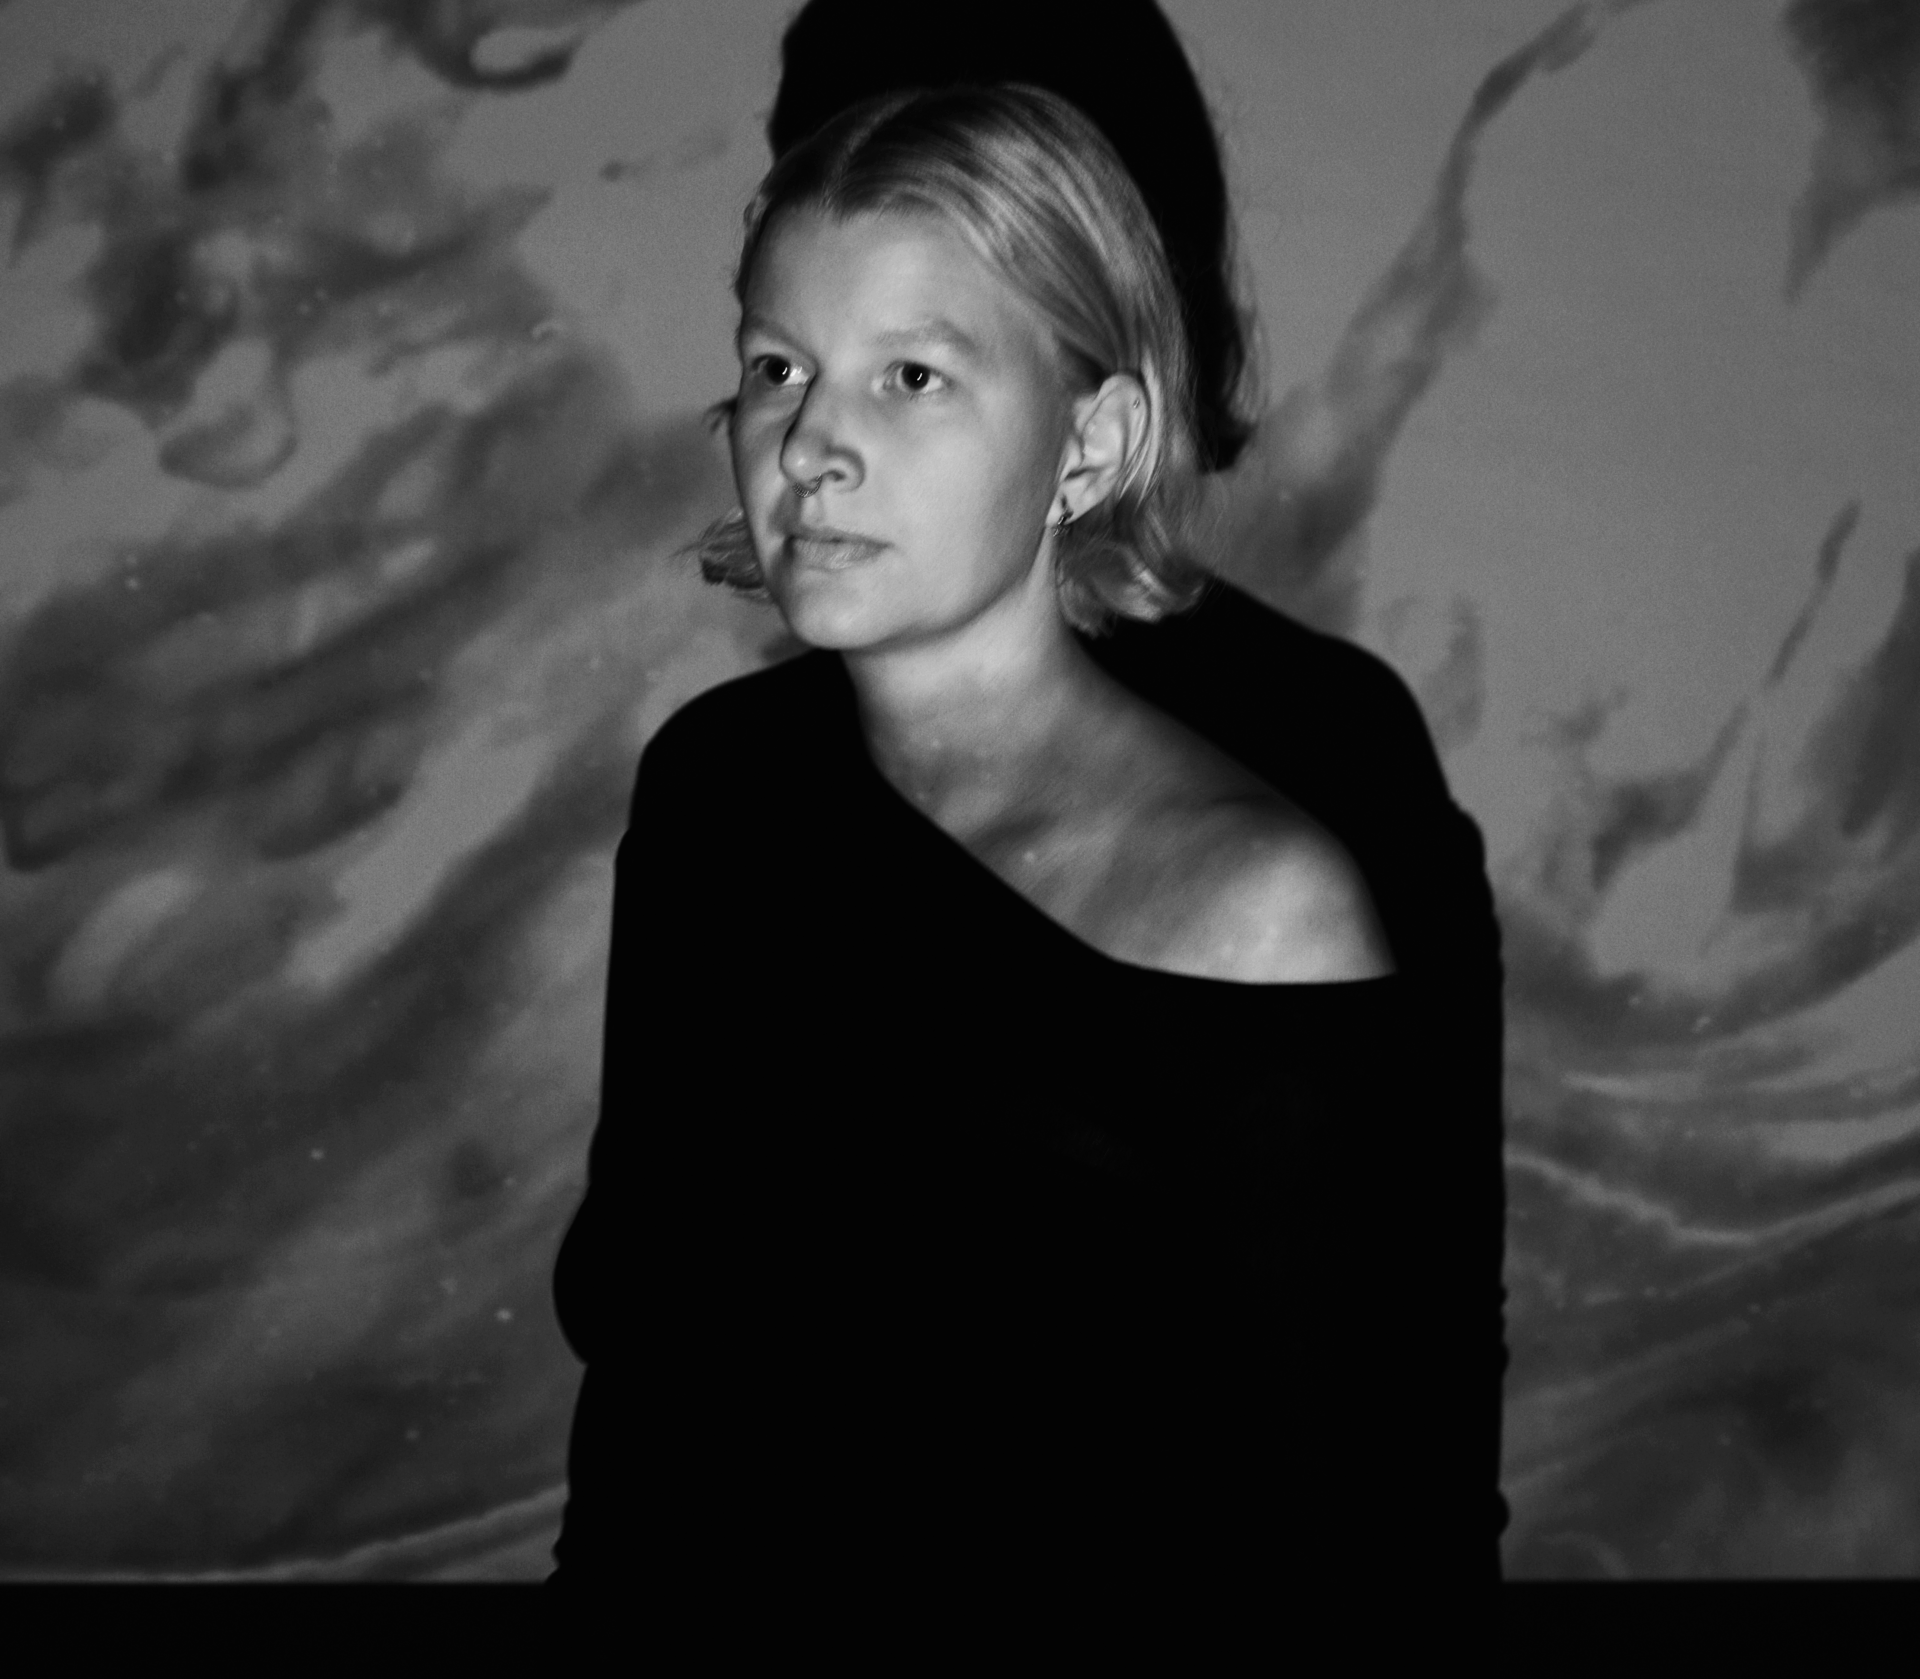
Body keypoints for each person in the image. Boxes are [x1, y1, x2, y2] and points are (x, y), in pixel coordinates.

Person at [551, 64, 1504, 1611]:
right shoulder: (716, 787)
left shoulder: (1262, 904)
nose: (810, 444)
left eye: (913, 376)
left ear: (1093, 440)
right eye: (779, 366)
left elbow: (1366, 1522)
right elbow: (646, 1385)